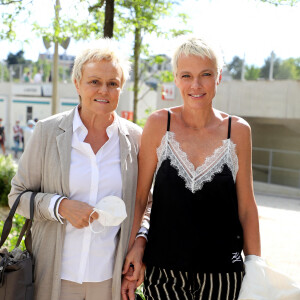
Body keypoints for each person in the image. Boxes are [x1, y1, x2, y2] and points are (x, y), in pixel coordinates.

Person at [121, 36, 261, 300]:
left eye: (205, 74)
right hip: (163, 274)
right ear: (176, 79)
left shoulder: (238, 130)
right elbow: (140, 198)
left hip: (224, 276)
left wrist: (256, 269)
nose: (196, 85)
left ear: (218, 77)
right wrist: (133, 251)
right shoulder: (158, 124)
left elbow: (246, 207)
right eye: (186, 75)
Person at [9, 38, 143, 300]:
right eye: (94, 81)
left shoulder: (136, 139)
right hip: (55, 278)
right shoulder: (48, 132)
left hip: (110, 281)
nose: (103, 90)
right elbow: (17, 198)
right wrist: (60, 207)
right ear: (77, 83)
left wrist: (140, 244)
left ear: (121, 88)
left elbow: (146, 204)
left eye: (112, 83)